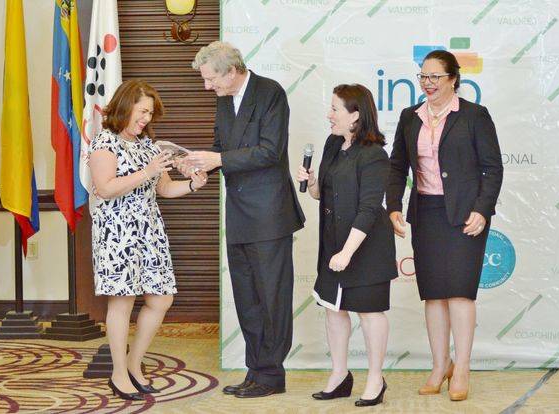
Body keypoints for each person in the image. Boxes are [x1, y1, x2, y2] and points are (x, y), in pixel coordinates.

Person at [184, 41, 305, 398]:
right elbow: (221, 147)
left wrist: (217, 160)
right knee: (247, 298)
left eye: (211, 80)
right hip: (237, 213)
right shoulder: (223, 101)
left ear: (232, 70)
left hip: (269, 214)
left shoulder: (270, 93)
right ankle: (256, 370)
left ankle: (272, 374)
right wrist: (199, 166)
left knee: (272, 297)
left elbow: (270, 151)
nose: (208, 87)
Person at [386, 50, 503, 401]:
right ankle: (440, 366)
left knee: (460, 293)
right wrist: (393, 205)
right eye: (423, 76)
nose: (427, 83)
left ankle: (463, 368)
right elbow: (397, 166)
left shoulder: (474, 116)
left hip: (465, 216)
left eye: (435, 76)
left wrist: (483, 209)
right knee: (434, 294)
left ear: (453, 78)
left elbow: (492, 168)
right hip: (426, 213)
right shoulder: (410, 117)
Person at [89, 79, 207, 400]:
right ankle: (117, 373)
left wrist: (194, 185)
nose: (146, 119)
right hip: (117, 233)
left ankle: (133, 363)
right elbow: (105, 187)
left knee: (161, 299)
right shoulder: (105, 142)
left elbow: (165, 189)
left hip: (150, 230)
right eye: (142, 112)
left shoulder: (147, 145)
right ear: (126, 106)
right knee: (122, 301)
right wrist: (148, 170)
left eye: (150, 114)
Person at [296, 84, 397, 407]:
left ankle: (375, 379)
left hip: (365, 246)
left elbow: (369, 209)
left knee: (370, 313)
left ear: (355, 115)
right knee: (334, 310)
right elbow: (320, 195)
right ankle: (340, 375)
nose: (329, 115)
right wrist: (311, 181)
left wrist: (347, 252)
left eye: (335, 109)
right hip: (334, 243)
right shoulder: (332, 143)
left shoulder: (374, 155)